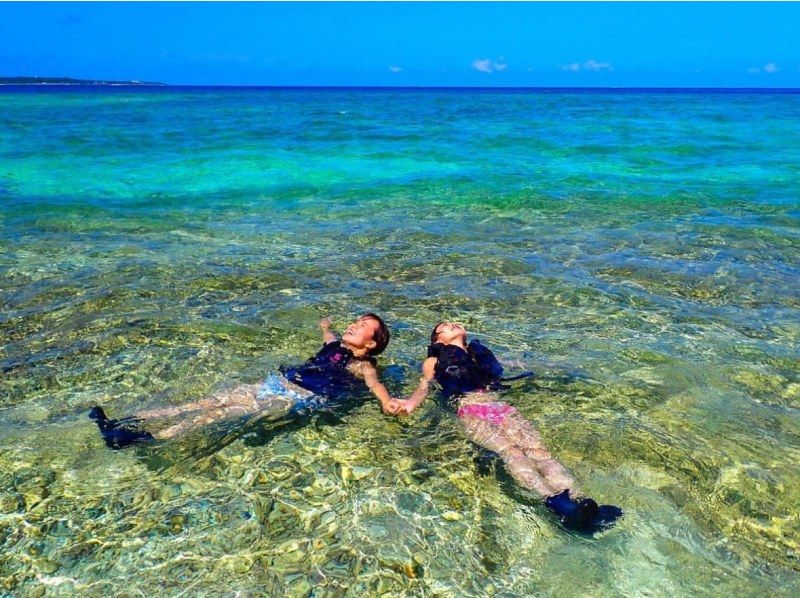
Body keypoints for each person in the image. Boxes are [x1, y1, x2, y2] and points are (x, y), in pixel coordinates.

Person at [392, 321, 623, 533]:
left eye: (455, 323)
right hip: (470, 410)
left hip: (502, 408)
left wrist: (558, 366)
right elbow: (426, 384)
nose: (452, 324)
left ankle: (582, 501)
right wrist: (411, 403)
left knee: (539, 452)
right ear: (437, 341)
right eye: (444, 326)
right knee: (510, 451)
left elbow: (515, 365)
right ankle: (554, 501)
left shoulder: (477, 356)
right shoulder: (433, 360)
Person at [90, 313, 402, 449]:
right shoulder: (336, 345)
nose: (354, 324)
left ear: (371, 344)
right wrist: (324, 326)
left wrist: (386, 400)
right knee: (208, 402)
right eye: (356, 320)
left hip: (296, 395)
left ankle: (147, 439)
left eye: (362, 326)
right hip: (279, 382)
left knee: (219, 413)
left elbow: (374, 384)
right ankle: (124, 421)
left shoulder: (363, 364)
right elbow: (329, 337)